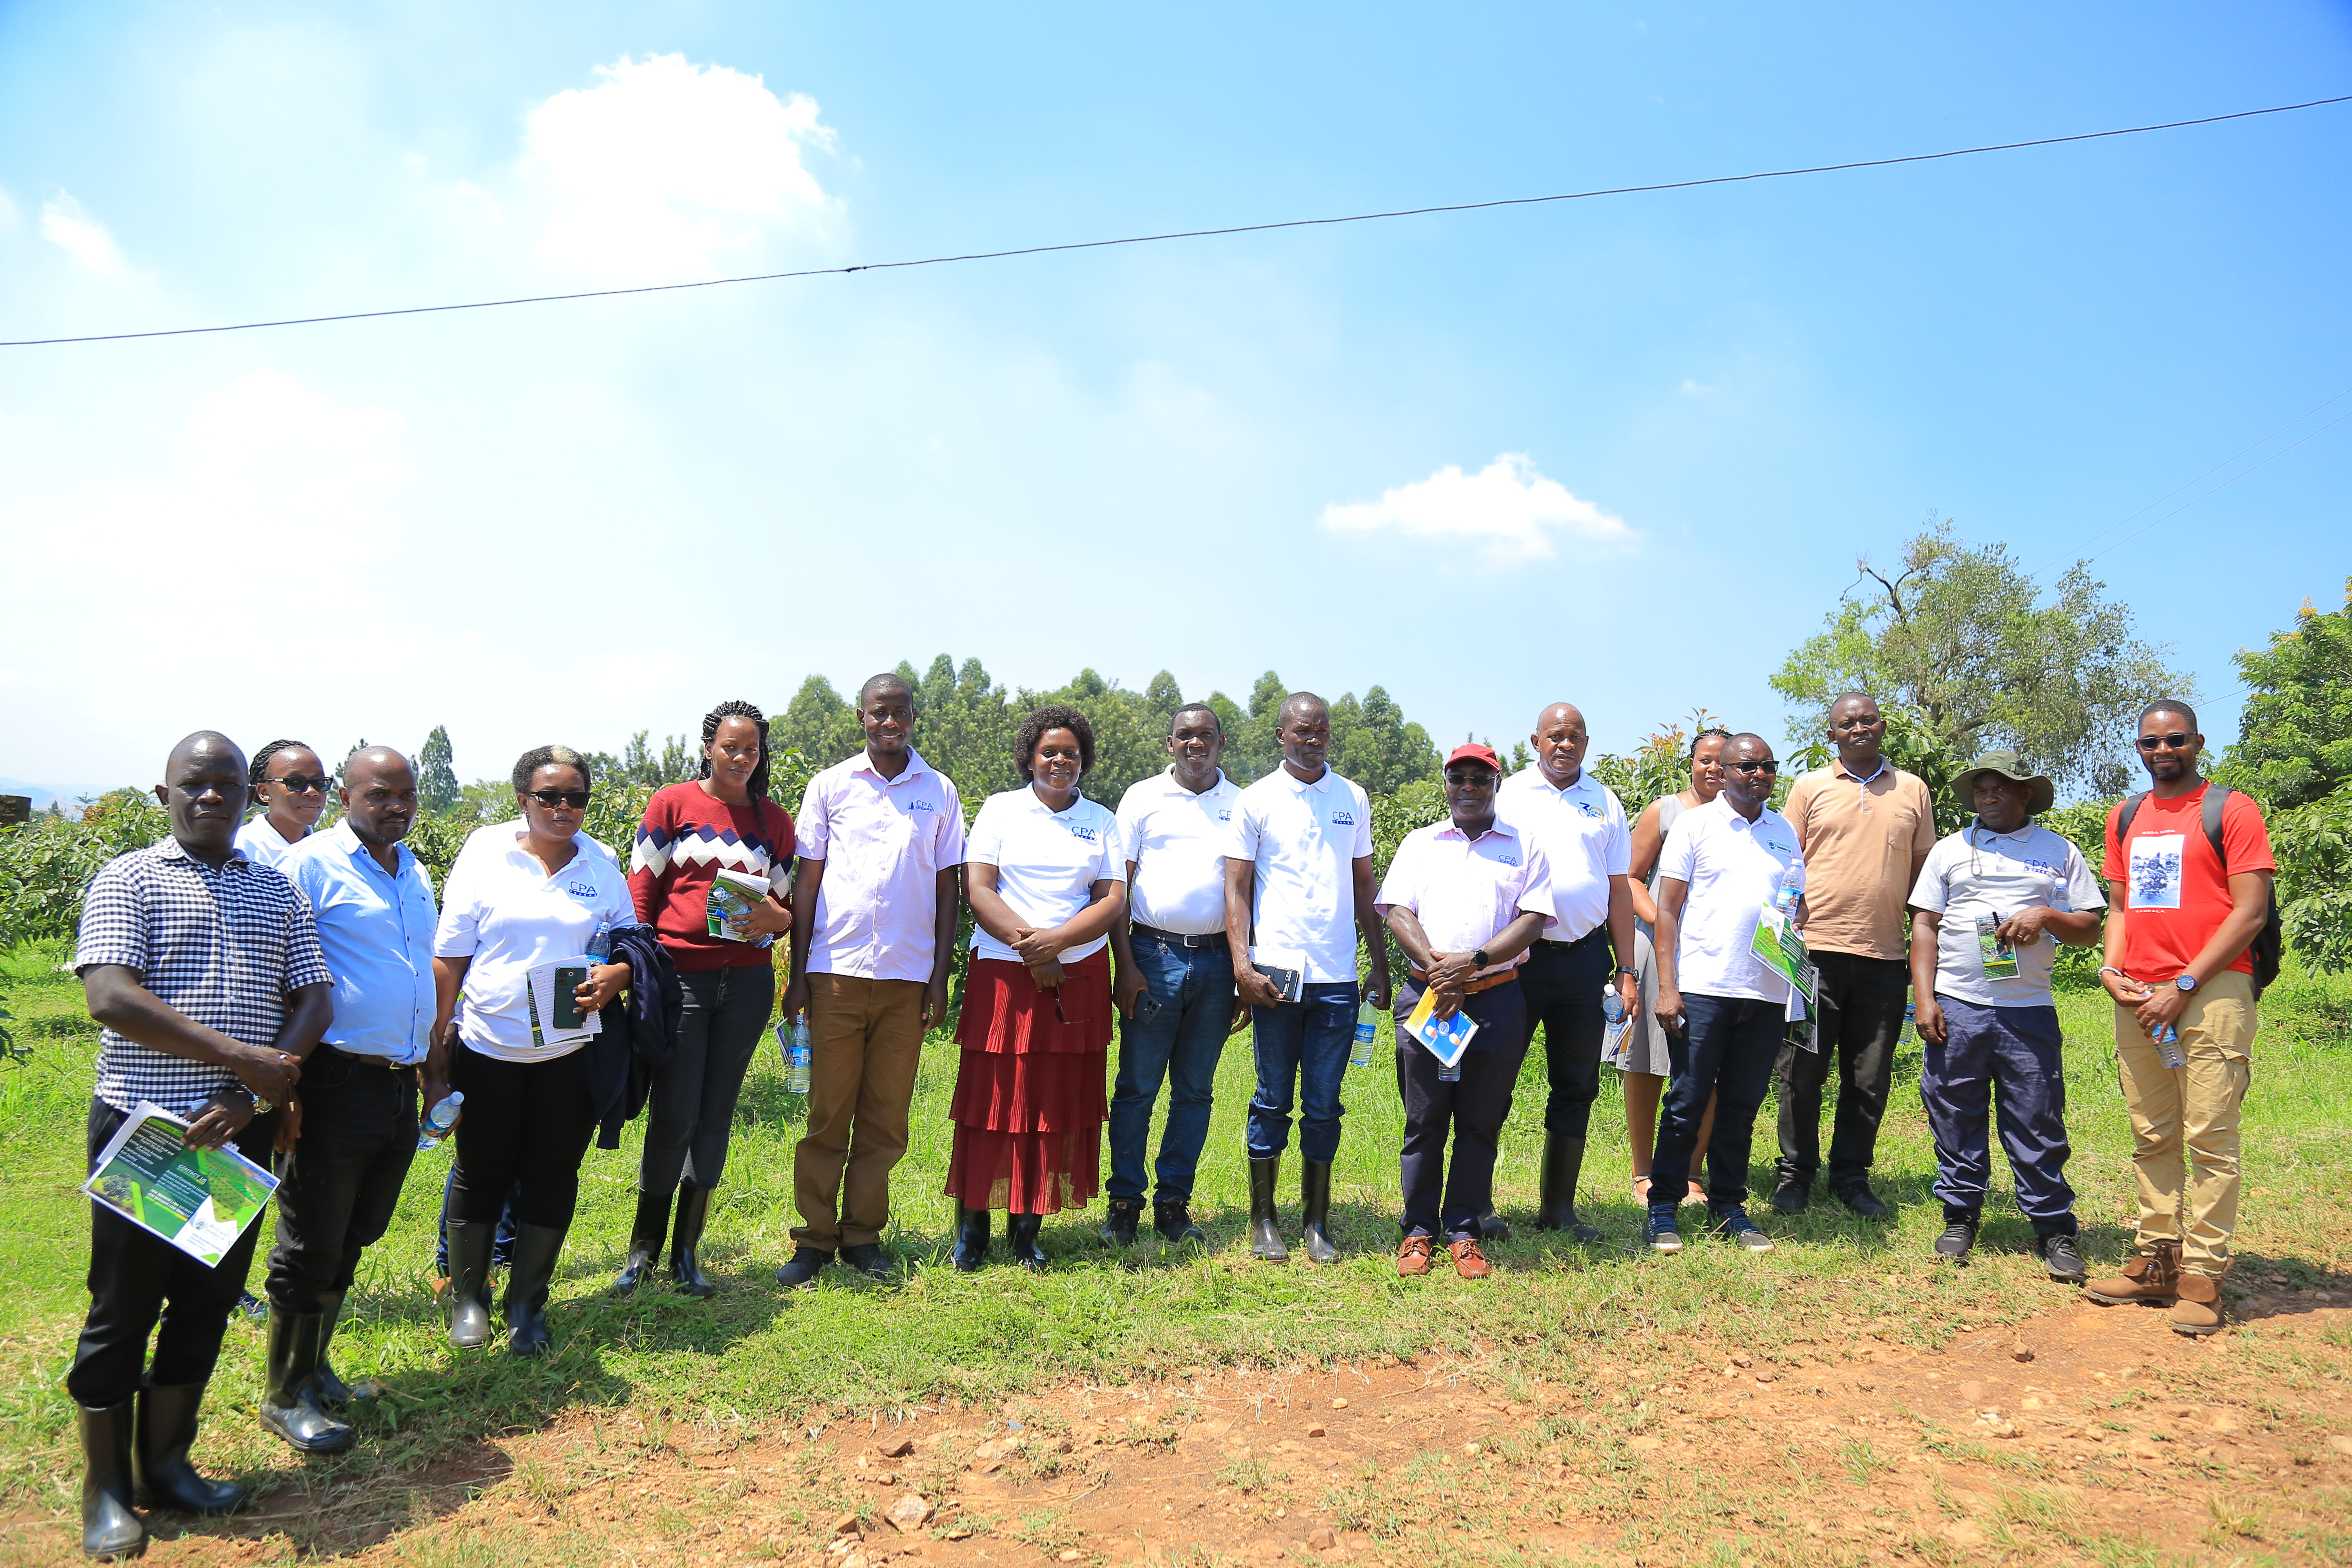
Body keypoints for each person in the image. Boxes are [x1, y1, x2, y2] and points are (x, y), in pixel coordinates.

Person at [69, 732, 329, 1559]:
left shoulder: (277, 891)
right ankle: (106, 1491)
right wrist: (237, 1057)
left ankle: (167, 1468)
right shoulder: (130, 879)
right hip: (150, 1135)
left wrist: (252, 1090)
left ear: (248, 796)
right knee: (123, 1308)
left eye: (225, 785)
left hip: (235, 1133)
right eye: (194, 785)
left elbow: (315, 995)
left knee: (206, 1302)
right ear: (164, 794)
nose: (210, 798)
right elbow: (111, 995)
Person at [257, 747, 439, 1457]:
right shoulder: (308, 866)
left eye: (407, 794)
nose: (397, 805)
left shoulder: (413, 870)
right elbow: (274, 973)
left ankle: (315, 1368)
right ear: (344, 794)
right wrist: (286, 1087)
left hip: (395, 1079)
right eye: (380, 794)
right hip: (331, 1078)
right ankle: (283, 1393)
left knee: (357, 1230)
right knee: (309, 1242)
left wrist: (431, 1068)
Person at [432, 746, 638, 1355]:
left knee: (552, 1174)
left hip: (568, 1052)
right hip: (487, 1046)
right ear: (523, 800)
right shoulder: (484, 854)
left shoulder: (600, 862)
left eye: (576, 797)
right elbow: (450, 957)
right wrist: (437, 1045)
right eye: (549, 796)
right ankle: (472, 1301)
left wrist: (619, 976)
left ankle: (528, 1306)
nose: (563, 808)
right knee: (480, 1171)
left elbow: (631, 943)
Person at [2085, 700, 2275, 1336]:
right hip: (2140, 996)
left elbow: (2249, 913)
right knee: (2153, 1133)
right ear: (2138, 748)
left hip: (2213, 990)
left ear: (2197, 742)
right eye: (2150, 742)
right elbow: (2118, 905)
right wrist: (2113, 972)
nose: (2163, 751)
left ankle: (2203, 1277)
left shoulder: (2233, 809)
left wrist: (2186, 983)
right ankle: (2155, 1264)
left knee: (2210, 1137)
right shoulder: (2127, 815)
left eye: (2175, 740)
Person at [776, 675, 964, 1287]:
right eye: (880, 712)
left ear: (914, 716)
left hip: (908, 980)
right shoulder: (831, 786)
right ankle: (813, 1240)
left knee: (885, 1119)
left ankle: (862, 1236)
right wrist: (799, 972)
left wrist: (939, 977)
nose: (891, 721)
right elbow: (808, 883)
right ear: (862, 716)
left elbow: (947, 890)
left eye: (901, 712)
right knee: (829, 1113)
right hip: (835, 974)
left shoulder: (939, 792)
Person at [616, 702, 795, 1298]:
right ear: (709, 749)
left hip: (745, 984)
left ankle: (686, 1254)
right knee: (674, 1114)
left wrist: (778, 920)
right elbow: (641, 892)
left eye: (752, 750)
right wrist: (639, 966)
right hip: (682, 980)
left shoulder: (774, 822)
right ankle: (643, 1251)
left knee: (716, 1114)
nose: (742, 758)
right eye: (731, 748)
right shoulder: (673, 804)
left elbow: (783, 909)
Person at [1906, 752, 2106, 1279]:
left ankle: (2054, 1228)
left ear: (2026, 796)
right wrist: (1925, 1000)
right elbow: (1925, 926)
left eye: (2000, 789)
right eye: (1981, 790)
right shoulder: (1950, 851)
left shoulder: (2058, 851)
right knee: (1954, 1111)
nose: (1988, 798)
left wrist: (2048, 917)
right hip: (1958, 1005)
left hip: (2028, 1011)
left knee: (2037, 1118)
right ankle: (1961, 1216)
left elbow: (2090, 927)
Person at [945, 706, 1127, 1271]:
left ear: (1083, 761)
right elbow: (977, 887)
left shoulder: (1101, 820)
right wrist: (1033, 950)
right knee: (994, 1101)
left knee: (1050, 1102)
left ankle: (1028, 1230)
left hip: (1080, 975)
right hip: (1005, 971)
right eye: (1049, 751)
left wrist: (1057, 946)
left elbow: (1112, 899)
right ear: (1029, 756)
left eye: (1071, 753)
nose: (1060, 761)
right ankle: (972, 1232)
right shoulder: (1001, 810)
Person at [1225, 692, 1392, 1264]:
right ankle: (1262, 1221)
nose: (1312, 737)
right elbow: (1237, 890)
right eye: (1301, 730)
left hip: (1337, 979)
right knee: (1273, 1099)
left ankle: (1317, 1223)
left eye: (1320, 728)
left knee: (1324, 1104)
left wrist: (1380, 960)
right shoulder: (1257, 800)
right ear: (1280, 736)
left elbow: (1366, 887)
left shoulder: (1353, 797)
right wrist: (1241, 966)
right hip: (1277, 976)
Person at [1378, 744, 1555, 1279]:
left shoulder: (1525, 847)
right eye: (1459, 778)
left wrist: (1473, 963)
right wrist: (1440, 970)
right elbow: (1397, 911)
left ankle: (1464, 1231)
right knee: (1425, 1120)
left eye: (1481, 778)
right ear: (1446, 784)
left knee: (1480, 1122)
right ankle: (1418, 1231)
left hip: (1497, 998)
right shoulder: (1420, 843)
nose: (1469, 787)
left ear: (1497, 784)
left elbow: (1533, 919)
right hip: (1429, 996)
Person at [1772, 693, 1936, 1218]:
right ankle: (1795, 1174)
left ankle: (1852, 1175)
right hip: (1814, 954)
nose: (1859, 728)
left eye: (1867, 720)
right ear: (1832, 735)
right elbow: (1783, 862)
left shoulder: (1912, 789)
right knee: (1802, 1072)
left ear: (1883, 727)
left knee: (1869, 1076)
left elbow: (1921, 870)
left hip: (1883, 956)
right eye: (1848, 723)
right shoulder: (1810, 787)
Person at [1648, 733, 1801, 1256]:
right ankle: (1664, 1207)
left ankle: (1729, 1205)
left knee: (1741, 1105)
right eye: (1746, 766)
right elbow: (1667, 909)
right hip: (1703, 988)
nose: (1757, 775)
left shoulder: (1784, 832)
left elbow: (1794, 907)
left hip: (1765, 992)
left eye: (1767, 767)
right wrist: (1667, 988)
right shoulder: (1696, 824)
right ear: (1726, 771)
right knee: (1688, 1101)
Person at [1494, 702, 1637, 1241]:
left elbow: (1620, 890)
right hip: (1519, 959)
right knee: (1495, 1078)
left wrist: (1626, 971)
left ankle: (1558, 1209)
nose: (1565, 745)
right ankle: (1477, 1207)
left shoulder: (1604, 801)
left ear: (1586, 742)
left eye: (1575, 736)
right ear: (1535, 741)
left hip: (1584, 960)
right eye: (1555, 736)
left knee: (1577, 1084)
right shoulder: (1508, 795)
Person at [1103, 704, 1243, 1249]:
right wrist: (1126, 967)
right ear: (1169, 744)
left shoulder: (1241, 804)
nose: (1195, 744)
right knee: (1137, 1088)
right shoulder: (1142, 799)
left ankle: (1173, 1205)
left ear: (1220, 742)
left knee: (1195, 1092)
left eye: (1204, 735)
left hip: (1216, 964)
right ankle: (1124, 1205)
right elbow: (1119, 887)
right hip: (1153, 957)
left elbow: (1246, 894)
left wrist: (1242, 972)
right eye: (1184, 736)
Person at [1624, 727, 1731, 1207]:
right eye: (1706, 760)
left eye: (1724, 761)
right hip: (1657, 949)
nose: (1715, 769)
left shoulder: (1745, 820)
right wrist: (1663, 927)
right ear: (1691, 763)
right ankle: (1643, 1172)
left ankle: (1690, 1174)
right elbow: (1629, 878)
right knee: (1647, 1062)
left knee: (1706, 1066)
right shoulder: (1664, 812)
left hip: (1717, 958)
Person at [234, 739, 330, 867]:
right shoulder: (241, 849)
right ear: (264, 792)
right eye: (295, 782)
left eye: (319, 782)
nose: (312, 792)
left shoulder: (330, 851)